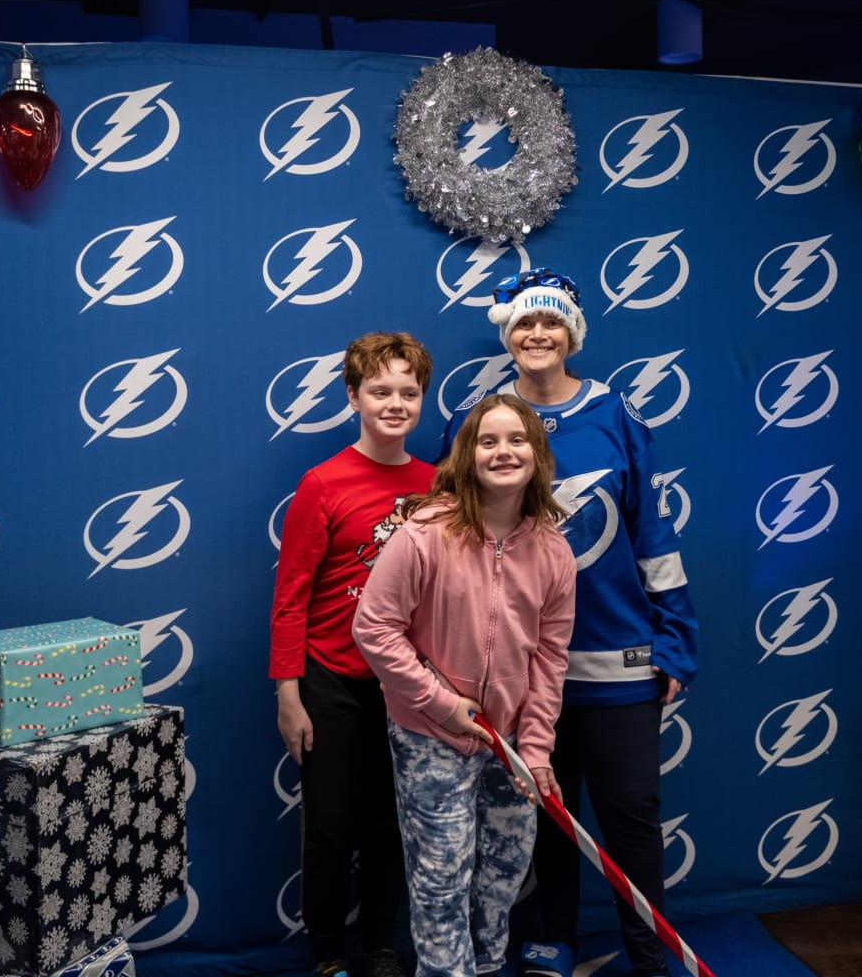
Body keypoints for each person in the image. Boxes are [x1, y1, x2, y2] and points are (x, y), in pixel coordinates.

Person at [438, 269, 699, 977]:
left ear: (573, 333)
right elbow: (450, 538)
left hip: (618, 662)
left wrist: (676, 638)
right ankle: (552, 939)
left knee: (632, 817)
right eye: (524, 322)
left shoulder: (618, 415)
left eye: (551, 321)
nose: (537, 334)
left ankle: (648, 954)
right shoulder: (479, 422)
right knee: (545, 816)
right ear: (507, 334)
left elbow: (653, 533)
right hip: (518, 671)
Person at [352, 394, 576, 977]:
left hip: (510, 741)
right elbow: (374, 627)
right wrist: (440, 704)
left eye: (517, 440)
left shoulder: (554, 550)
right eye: (488, 441)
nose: (504, 452)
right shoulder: (425, 533)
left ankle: (487, 966)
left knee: (502, 876)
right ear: (466, 455)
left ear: (538, 454)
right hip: (432, 736)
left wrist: (536, 749)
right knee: (441, 878)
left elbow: (550, 658)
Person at [271, 331, 437, 977]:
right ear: (352, 396)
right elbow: (291, 597)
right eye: (379, 391)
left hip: (404, 684)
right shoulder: (323, 483)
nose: (395, 404)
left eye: (408, 392)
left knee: (391, 824)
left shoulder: (435, 485)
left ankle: (383, 945)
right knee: (331, 826)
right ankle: (328, 955)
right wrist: (289, 695)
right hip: (332, 681)